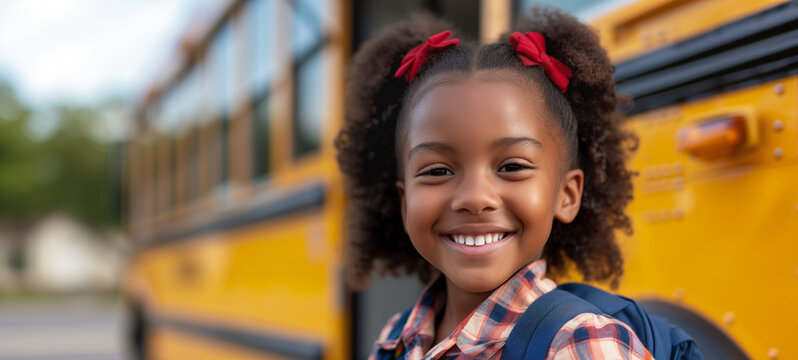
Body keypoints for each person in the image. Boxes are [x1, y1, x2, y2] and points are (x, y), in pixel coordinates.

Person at [336, 5, 650, 359]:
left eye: (512, 166)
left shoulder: (581, 344)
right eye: (437, 171)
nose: (474, 197)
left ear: (567, 194)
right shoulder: (398, 336)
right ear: (405, 203)